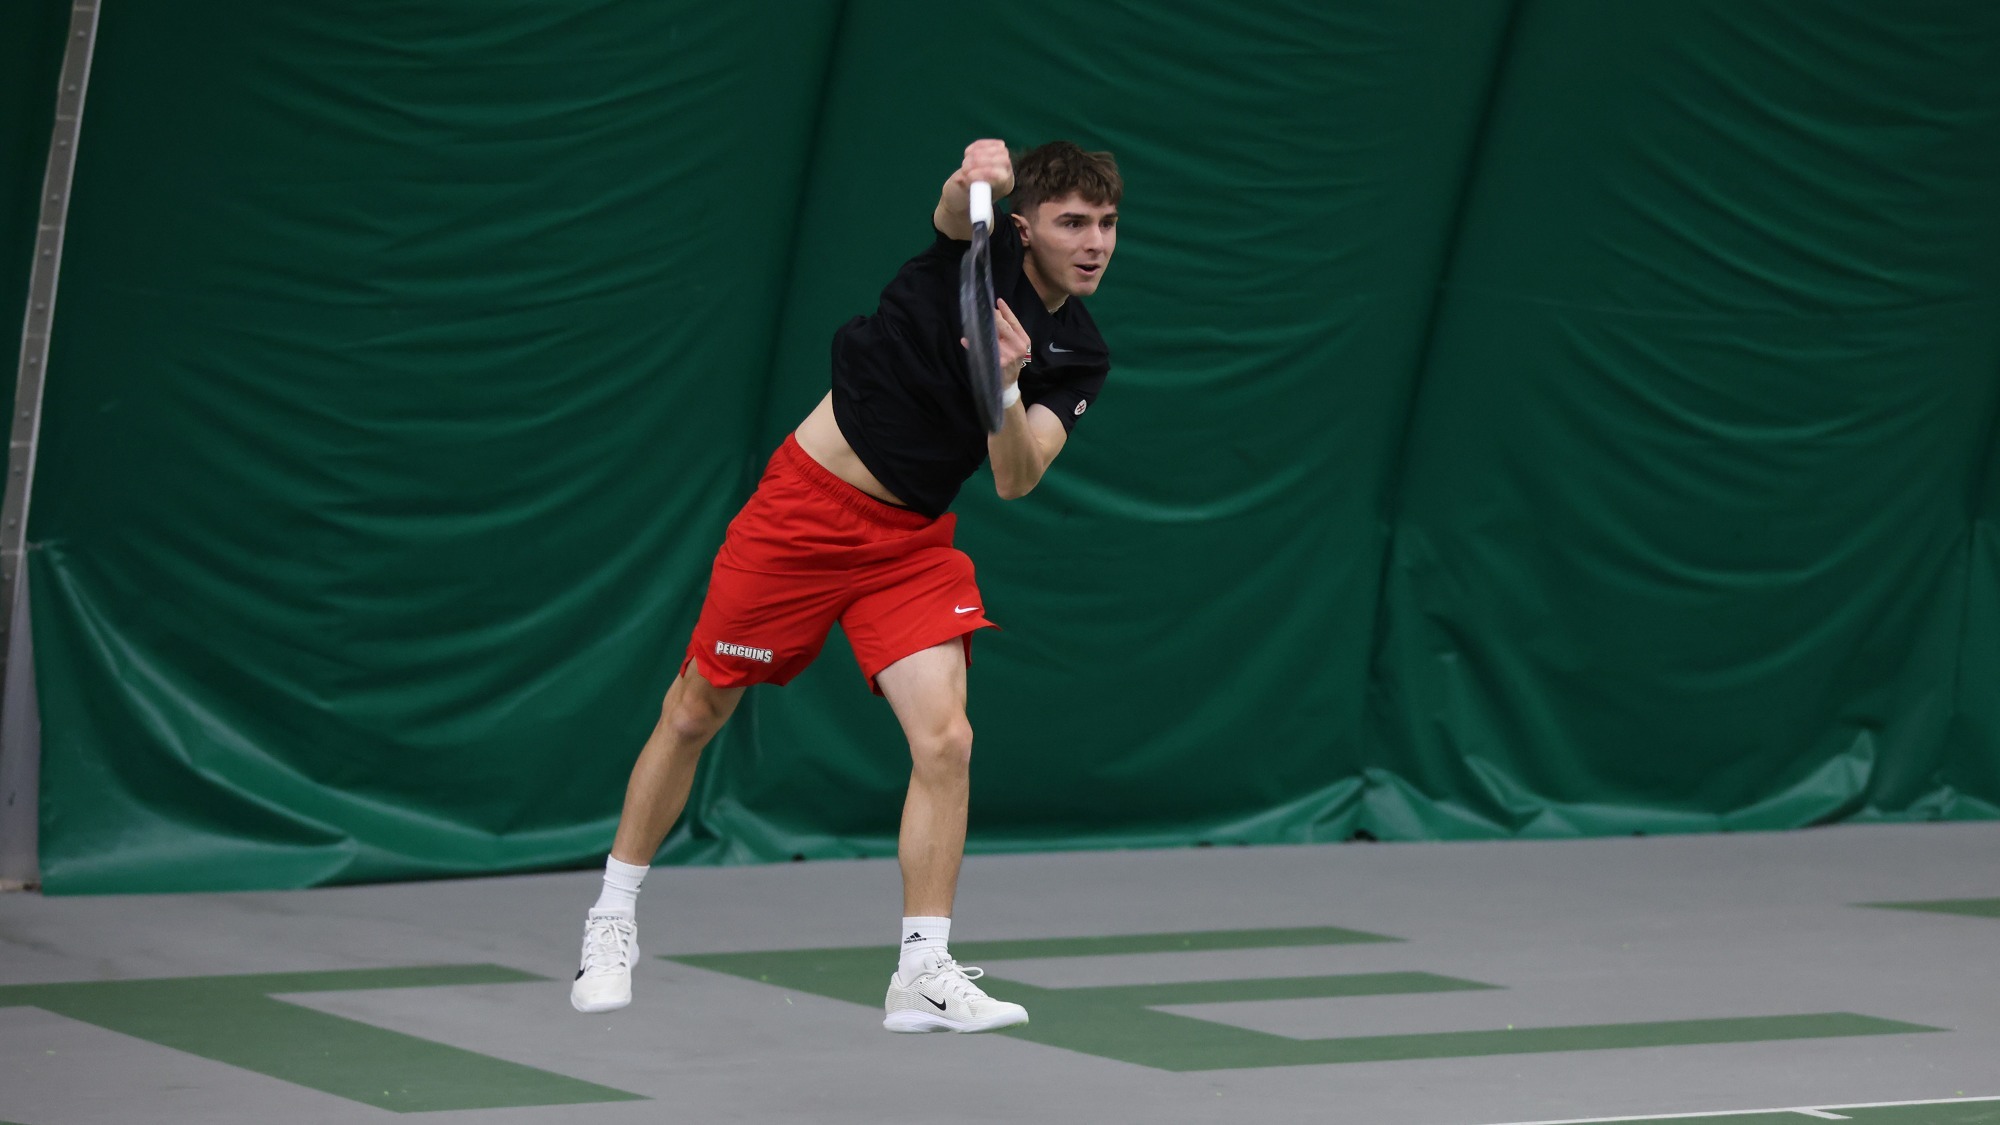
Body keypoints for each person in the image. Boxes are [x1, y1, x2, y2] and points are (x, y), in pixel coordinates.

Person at [571, 138, 1121, 1033]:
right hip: (805, 512)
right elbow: (955, 206)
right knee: (693, 710)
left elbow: (1017, 477)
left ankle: (922, 970)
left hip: (909, 543)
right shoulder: (965, 259)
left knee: (946, 739)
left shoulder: (1078, 353)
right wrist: (970, 174)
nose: (1094, 242)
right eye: (1072, 223)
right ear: (1023, 226)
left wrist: (1010, 385)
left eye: (1105, 224)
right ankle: (611, 917)